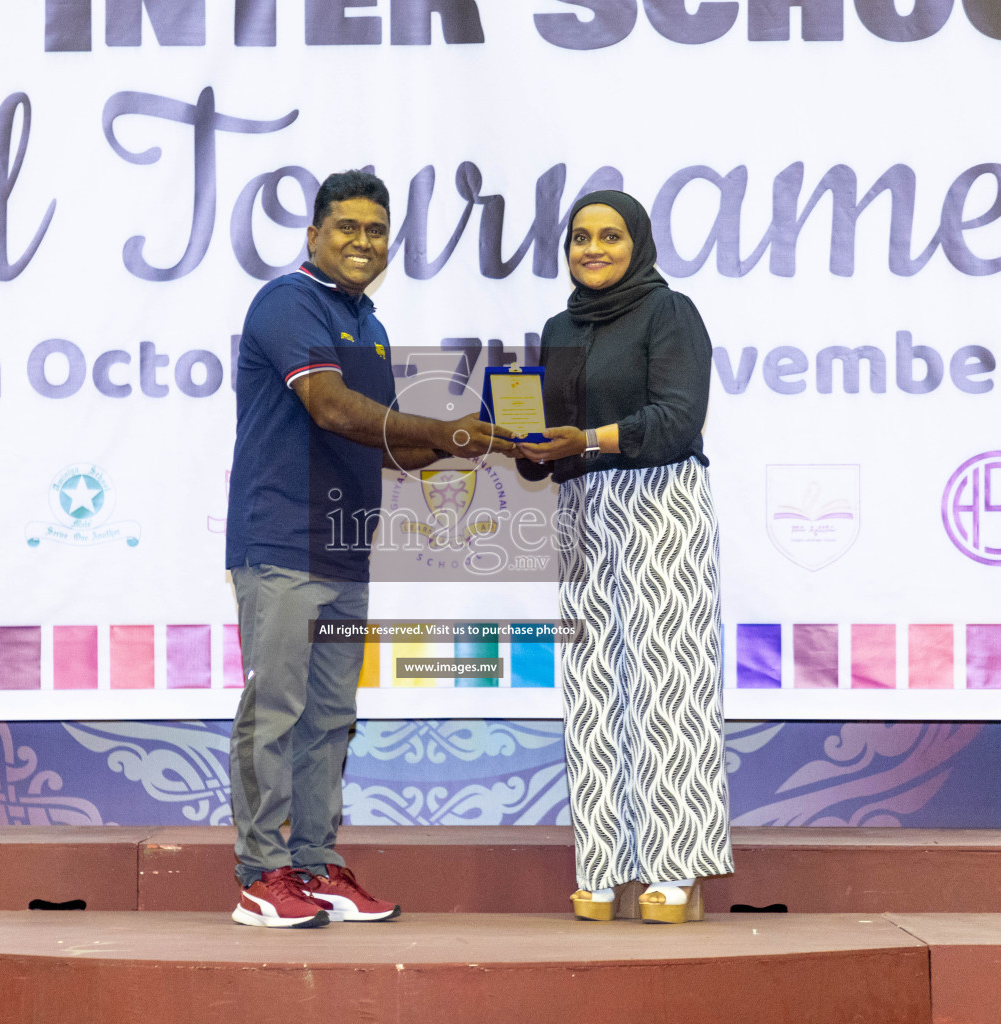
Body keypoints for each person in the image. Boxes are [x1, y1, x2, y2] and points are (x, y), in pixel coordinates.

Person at [224, 169, 515, 928]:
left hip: (346, 551)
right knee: (277, 710)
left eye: (376, 231)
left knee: (329, 717)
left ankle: (315, 865)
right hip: (281, 541)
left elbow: (384, 442)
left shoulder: (371, 325)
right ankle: (261, 873)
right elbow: (329, 407)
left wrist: (480, 434)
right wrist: (442, 430)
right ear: (314, 234)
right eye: (347, 228)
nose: (363, 242)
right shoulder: (288, 301)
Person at [516, 190, 732, 924]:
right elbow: (554, 434)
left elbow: (677, 419)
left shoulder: (668, 313)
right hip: (580, 509)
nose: (593, 248)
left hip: (657, 499)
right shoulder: (559, 325)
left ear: (637, 242)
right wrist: (520, 443)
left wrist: (590, 439)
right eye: (580, 237)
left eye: (610, 236)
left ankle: (675, 869)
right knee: (590, 685)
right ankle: (603, 866)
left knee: (667, 681)